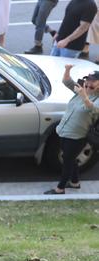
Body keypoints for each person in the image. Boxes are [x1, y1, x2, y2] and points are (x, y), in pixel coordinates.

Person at [45, 66, 99, 194]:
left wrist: (84, 95)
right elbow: (67, 82)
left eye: (93, 81)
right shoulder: (81, 91)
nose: (89, 83)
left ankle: (60, 188)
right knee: (69, 158)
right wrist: (67, 70)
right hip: (64, 131)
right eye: (88, 80)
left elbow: (93, 109)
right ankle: (75, 182)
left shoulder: (94, 98)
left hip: (77, 136)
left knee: (67, 161)